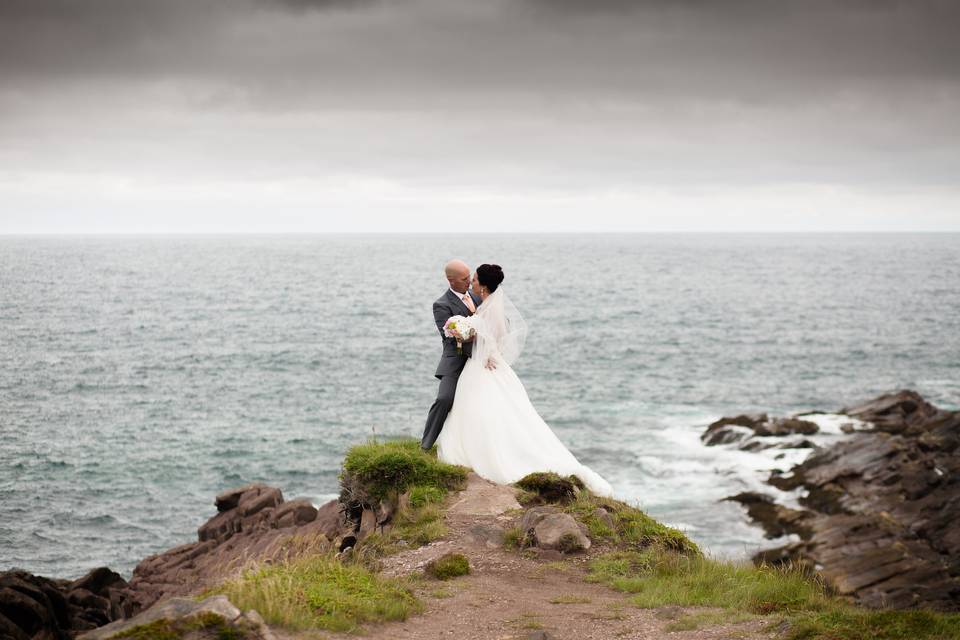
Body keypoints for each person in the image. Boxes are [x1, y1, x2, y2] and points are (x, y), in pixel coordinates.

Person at [435, 263, 614, 497]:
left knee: (489, 409)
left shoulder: (488, 306)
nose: (472, 283)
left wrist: (483, 347)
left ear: (484, 286)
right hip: (480, 364)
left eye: (475, 279)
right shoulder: (483, 303)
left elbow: (498, 333)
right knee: (476, 408)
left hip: (485, 364)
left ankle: (492, 453)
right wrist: (468, 333)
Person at [420, 259, 483, 451]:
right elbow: (448, 337)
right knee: (444, 399)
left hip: (480, 359)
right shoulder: (441, 304)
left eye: (469, 277)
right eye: (464, 279)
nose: (469, 282)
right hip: (455, 360)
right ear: (451, 280)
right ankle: (426, 445)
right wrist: (477, 335)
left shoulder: (478, 296)